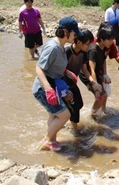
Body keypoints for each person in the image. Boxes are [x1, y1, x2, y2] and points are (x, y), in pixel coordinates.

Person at [32, 17, 83, 151]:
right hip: (43, 88)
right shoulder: (53, 47)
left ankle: (52, 141)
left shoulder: (61, 46)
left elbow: (54, 66)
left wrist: (66, 72)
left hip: (53, 85)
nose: (76, 36)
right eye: (74, 33)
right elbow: (39, 68)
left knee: (54, 115)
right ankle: (46, 140)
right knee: (65, 115)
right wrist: (48, 90)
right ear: (66, 32)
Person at [79, 22, 115, 121]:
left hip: (95, 72)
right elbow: (91, 69)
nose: (112, 41)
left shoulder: (104, 48)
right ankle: (93, 114)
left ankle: (103, 110)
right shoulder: (94, 50)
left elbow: (103, 61)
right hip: (87, 75)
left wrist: (105, 74)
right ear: (102, 39)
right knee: (102, 94)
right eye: (109, 39)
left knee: (104, 94)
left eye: (112, 39)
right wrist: (95, 85)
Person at [63, 29, 95, 136]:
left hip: (72, 84)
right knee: (75, 108)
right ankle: (75, 131)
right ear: (79, 42)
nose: (89, 47)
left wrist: (93, 82)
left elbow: (85, 70)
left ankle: (66, 120)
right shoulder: (67, 52)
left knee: (80, 104)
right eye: (88, 44)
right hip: (64, 86)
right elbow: (58, 68)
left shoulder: (83, 53)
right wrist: (67, 72)